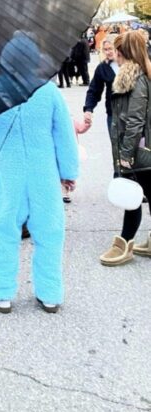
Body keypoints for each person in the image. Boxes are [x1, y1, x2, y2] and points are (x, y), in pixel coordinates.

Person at [0, 35, 79, 313]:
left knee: (5, 229)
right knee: (50, 232)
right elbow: (64, 135)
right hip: (44, 172)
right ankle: (50, 294)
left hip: (9, 170)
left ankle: (1, 292)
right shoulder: (49, 91)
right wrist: (68, 172)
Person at [99, 31, 151, 265]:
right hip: (145, 150)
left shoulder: (136, 78)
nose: (115, 55)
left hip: (139, 152)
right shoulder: (142, 74)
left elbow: (135, 120)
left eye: (118, 51)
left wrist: (126, 156)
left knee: (133, 197)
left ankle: (124, 244)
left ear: (124, 53)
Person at [83, 34, 118, 135]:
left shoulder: (130, 64)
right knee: (117, 147)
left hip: (133, 113)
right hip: (113, 112)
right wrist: (88, 109)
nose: (108, 52)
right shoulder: (102, 67)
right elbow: (94, 90)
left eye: (110, 48)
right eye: (105, 49)